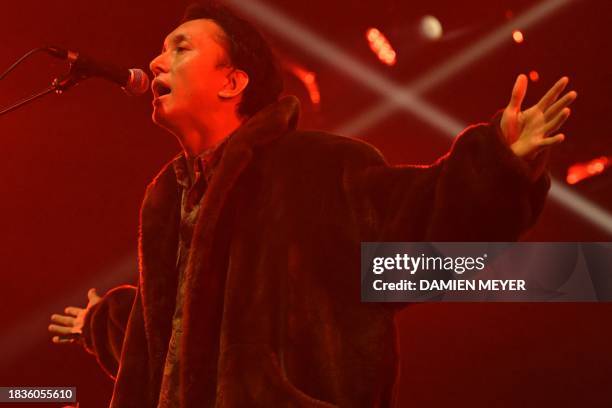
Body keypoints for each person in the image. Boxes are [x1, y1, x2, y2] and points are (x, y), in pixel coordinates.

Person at [48, 2, 576, 407]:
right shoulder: (166, 202)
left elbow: (426, 226)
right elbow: (174, 340)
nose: (156, 60)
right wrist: (102, 321)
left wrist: (498, 161)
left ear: (233, 82)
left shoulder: (317, 168)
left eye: (180, 48)